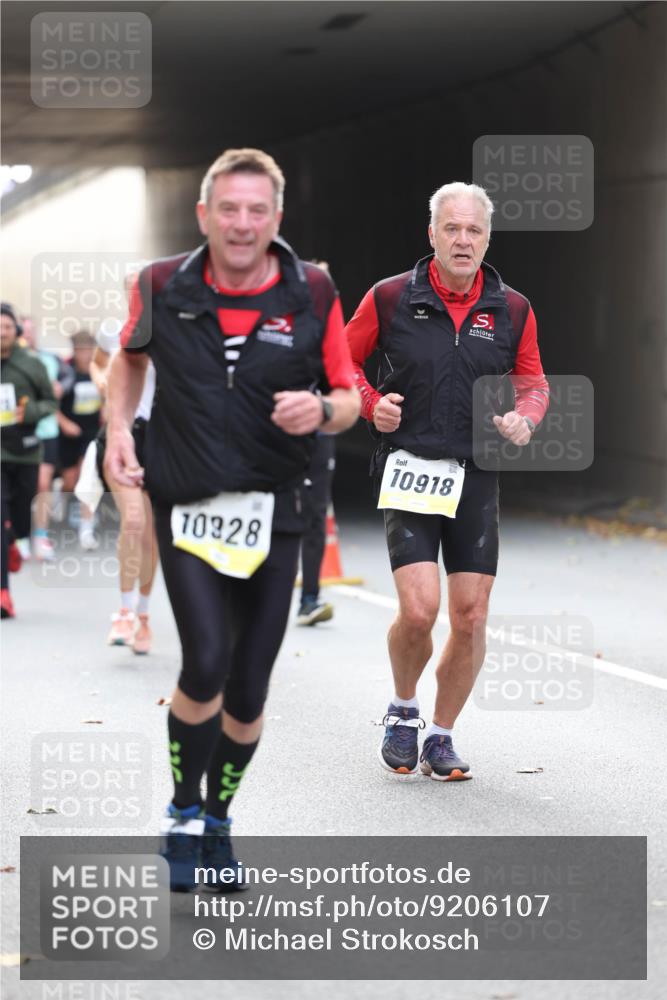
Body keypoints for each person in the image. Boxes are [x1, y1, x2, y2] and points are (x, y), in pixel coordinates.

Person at [104, 148, 359, 889]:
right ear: (203, 215)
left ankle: (217, 819)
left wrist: (323, 410)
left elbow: (348, 393)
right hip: (185, 503)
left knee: (248, 689)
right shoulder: (161, 284)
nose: (241, 224)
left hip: (274, 507)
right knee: (205, 661)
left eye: (256, 211)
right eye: (228, 209)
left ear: (276, 219)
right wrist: (120, 431)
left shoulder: (312, 290)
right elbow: (129, 361)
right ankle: (182, 810)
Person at [346, 182, 549, 781]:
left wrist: (526, 417)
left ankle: (441, 735)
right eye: (452, 228)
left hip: (476, 473)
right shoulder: (388, 298)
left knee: (469, 616)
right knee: (419, 610)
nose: (463, 240)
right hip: (409, 469)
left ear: (488, 239)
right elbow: (341, 361)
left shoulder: (512, 309)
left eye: (475, 231)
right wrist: (369, 403)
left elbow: (533, 381)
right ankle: (403, 709)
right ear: (430, 232)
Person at [91, 310, 158, 654]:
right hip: (122, 435)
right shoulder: (115, 329)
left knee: (151, 534)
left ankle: (143, 615)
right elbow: (97, 362)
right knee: (132, 521)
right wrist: (103, 380)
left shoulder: (177, 330)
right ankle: (124, 611)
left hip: (163, 440)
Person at [1, 303, 56, 618]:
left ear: (16, 332)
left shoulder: (31, 365)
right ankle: (3, 594)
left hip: (24, 451)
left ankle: (13, 539)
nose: (1, 333)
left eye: (6, 327)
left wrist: (30, 412)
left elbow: (50, 401)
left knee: (21, 517)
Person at [19, 315, 75, 561]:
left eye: (32, 330)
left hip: (47, 431)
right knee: (20, 487)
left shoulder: (49, 359)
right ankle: (19, 536)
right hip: (18, 433)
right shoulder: (10, 362)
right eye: (24, 330)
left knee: (43, 484)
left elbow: (69, 375)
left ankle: (41, 536)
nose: (28, 335)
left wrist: (62, 387)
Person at [58, 330, 103, 550]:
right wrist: (64, 423)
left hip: (90, 434)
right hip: (69, 434)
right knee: (70, 481)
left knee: (87, 479)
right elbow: (51, 402)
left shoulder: (100, 371)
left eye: (88, 349)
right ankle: (65, 501)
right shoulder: (67, 373)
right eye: (80, 350)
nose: (84, 354)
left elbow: (110, 396)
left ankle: (86, 529)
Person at [296, 431, 336, 625]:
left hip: (319, 435)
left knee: (315, 516)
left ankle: (309, 600)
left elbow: (348, 402)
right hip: (276, 432)